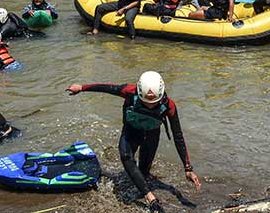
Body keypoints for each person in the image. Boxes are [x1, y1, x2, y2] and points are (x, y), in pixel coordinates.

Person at [65, 72, 201, 212]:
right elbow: (107, 88)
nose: (149, 105)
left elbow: (178, 136)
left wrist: (187, 168)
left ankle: (143, 186)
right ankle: (149, 197)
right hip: (131, 132)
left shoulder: (169, 105)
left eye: (153, 102)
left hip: (151, 137)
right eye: (146, 102)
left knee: (144, 173)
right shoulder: (129, 91)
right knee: (125, 156)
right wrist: (82, 87)